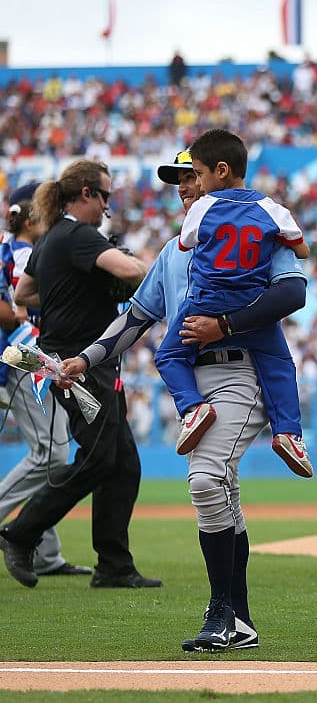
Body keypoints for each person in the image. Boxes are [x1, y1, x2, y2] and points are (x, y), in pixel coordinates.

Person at [62, 149, 307, 651]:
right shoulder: (175, 251)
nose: (183, 185)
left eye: (189, 175)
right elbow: (135, 318)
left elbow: (291, 292)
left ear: (216, 176)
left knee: (205, 480)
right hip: (195, 380)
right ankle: (238, 620)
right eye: (177, 179)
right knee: (223, 494)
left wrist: (226, 323)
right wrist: (84, 359)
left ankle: (221, 613)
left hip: (243, 367)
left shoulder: (258, 232)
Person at [0, 159, 157, 590]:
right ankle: (21, 531)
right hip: (81, 365)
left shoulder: (50, 238)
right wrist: (144, 267)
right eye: (105, 195)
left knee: (123, 464)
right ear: (86, 193)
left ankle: (114, 566)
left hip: (75, 361)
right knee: (97, 459)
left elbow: (23, 293)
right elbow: (131, 272)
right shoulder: (80, 235)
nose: (108, 205)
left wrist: (73, 289)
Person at [153, 129, 312, 480]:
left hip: (206, 301)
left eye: (197, 174)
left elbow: (186, 246)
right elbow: (302, 248)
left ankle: (192, 408)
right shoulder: (272, 208)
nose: (194, 183)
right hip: (252, 302)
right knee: (280, 364)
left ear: (220, 171)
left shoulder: (203, 206)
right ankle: (288, 433)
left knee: (168, 355)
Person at [0, 183, 90, 578]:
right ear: (33, 217)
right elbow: (22, 306)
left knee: (50, 457)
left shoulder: (14, 248)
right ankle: (21, 533)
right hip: (26, 361)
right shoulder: (23, 253)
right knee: (50, 453)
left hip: (27, 359)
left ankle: (45, 554)